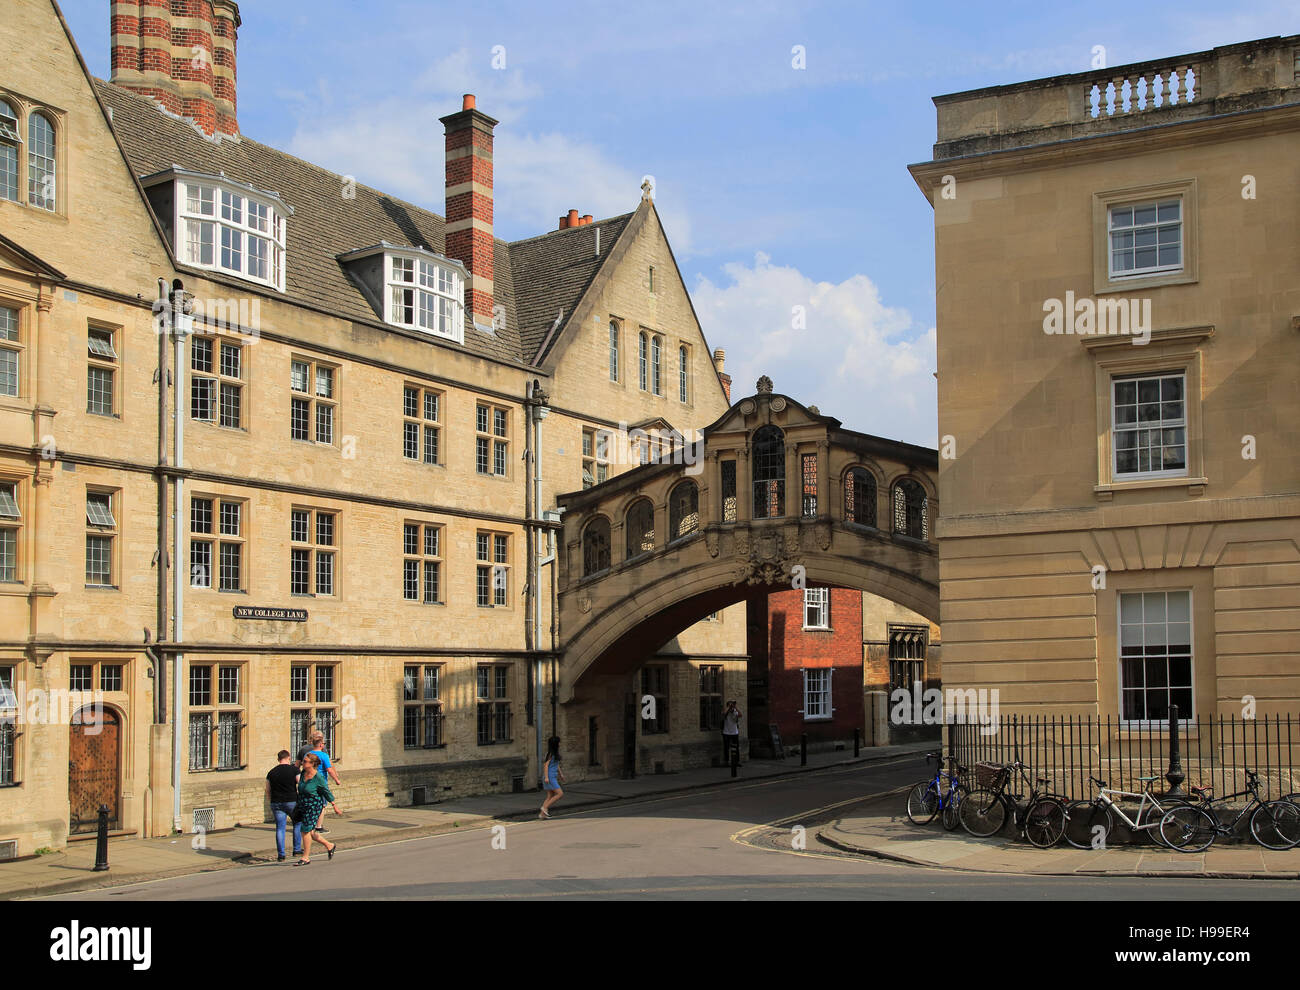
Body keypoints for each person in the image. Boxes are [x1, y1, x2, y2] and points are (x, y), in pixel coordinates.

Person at [295, 753, 340, 865]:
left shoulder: (318, 777)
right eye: (303, 761)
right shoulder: (303, 773)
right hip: (303, 804)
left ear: (312, 764)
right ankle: (330, 845)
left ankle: (305, 858)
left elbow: (326, 791)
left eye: (305, 761)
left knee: (305, 830)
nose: (303, 763)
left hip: (314, 806)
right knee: (310, 832)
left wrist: (334, 804)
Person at [298, 730, 340, 831]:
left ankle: (308, 823)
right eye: (324, 743)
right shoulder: (324, 755)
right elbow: (329, 769)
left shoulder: (307, 754)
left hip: (308, 782)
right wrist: (336, 779)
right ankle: (318, 826)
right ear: (321, 744)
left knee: (308, 803)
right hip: (320, 782)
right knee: (321, 805)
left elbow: (301, 766)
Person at [265, 749, 303, 862]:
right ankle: (296, 849)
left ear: (278, 759)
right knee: (297, 823)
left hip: (276, 802)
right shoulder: (294, 770)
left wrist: (271, 800)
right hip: (291, 801)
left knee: (280, 828)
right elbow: (300, 784)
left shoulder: (271, 772)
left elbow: (267, 789)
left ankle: (281, 854)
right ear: (288, 758)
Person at [539, 736, 565, 819]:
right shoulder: (550, 754)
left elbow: (556, 765)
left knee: (550, 796)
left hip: (553, 776)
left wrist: (561, 774)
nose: (560, 744)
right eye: (559, 742)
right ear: (555, 744)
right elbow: (546, 765)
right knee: (560, 793)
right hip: (549, 777)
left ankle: (542, 814)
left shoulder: (555, 753)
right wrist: (546, 777)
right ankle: (544, 808)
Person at [722, 700, 743, 765]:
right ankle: (726, 761)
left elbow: (740, 715)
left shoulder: (735, 712)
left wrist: (735, 707)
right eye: (730, 705)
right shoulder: (726, 712)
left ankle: (737, 761)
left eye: (732, 705)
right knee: (726, 748)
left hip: (734, 732)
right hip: (726, 732)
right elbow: (723, 713)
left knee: (736, 747)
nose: (731, 707)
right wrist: (728, 707)